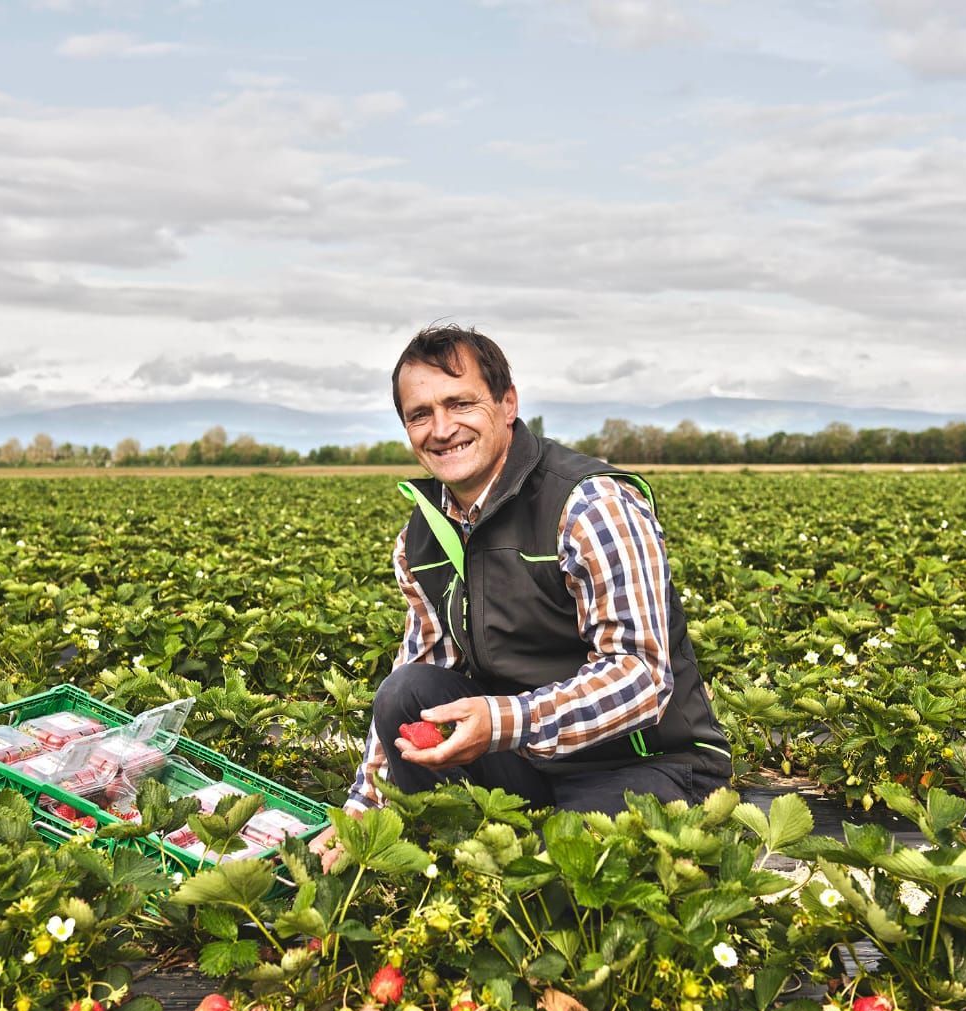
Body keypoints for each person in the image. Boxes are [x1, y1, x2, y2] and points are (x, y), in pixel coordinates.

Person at [311, 326, 731, 871]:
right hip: (527, 761)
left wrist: (504, 721)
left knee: (561, 878)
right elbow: (422, 664)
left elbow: (642, 676)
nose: (441, 429)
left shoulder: (588, 504)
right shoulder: (422, 537)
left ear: (507, 404)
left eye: (460, 403)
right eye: (420, 414)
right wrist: (363, 808)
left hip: (647, 763)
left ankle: (501, 860)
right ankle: (426, 854)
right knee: (406, 691)